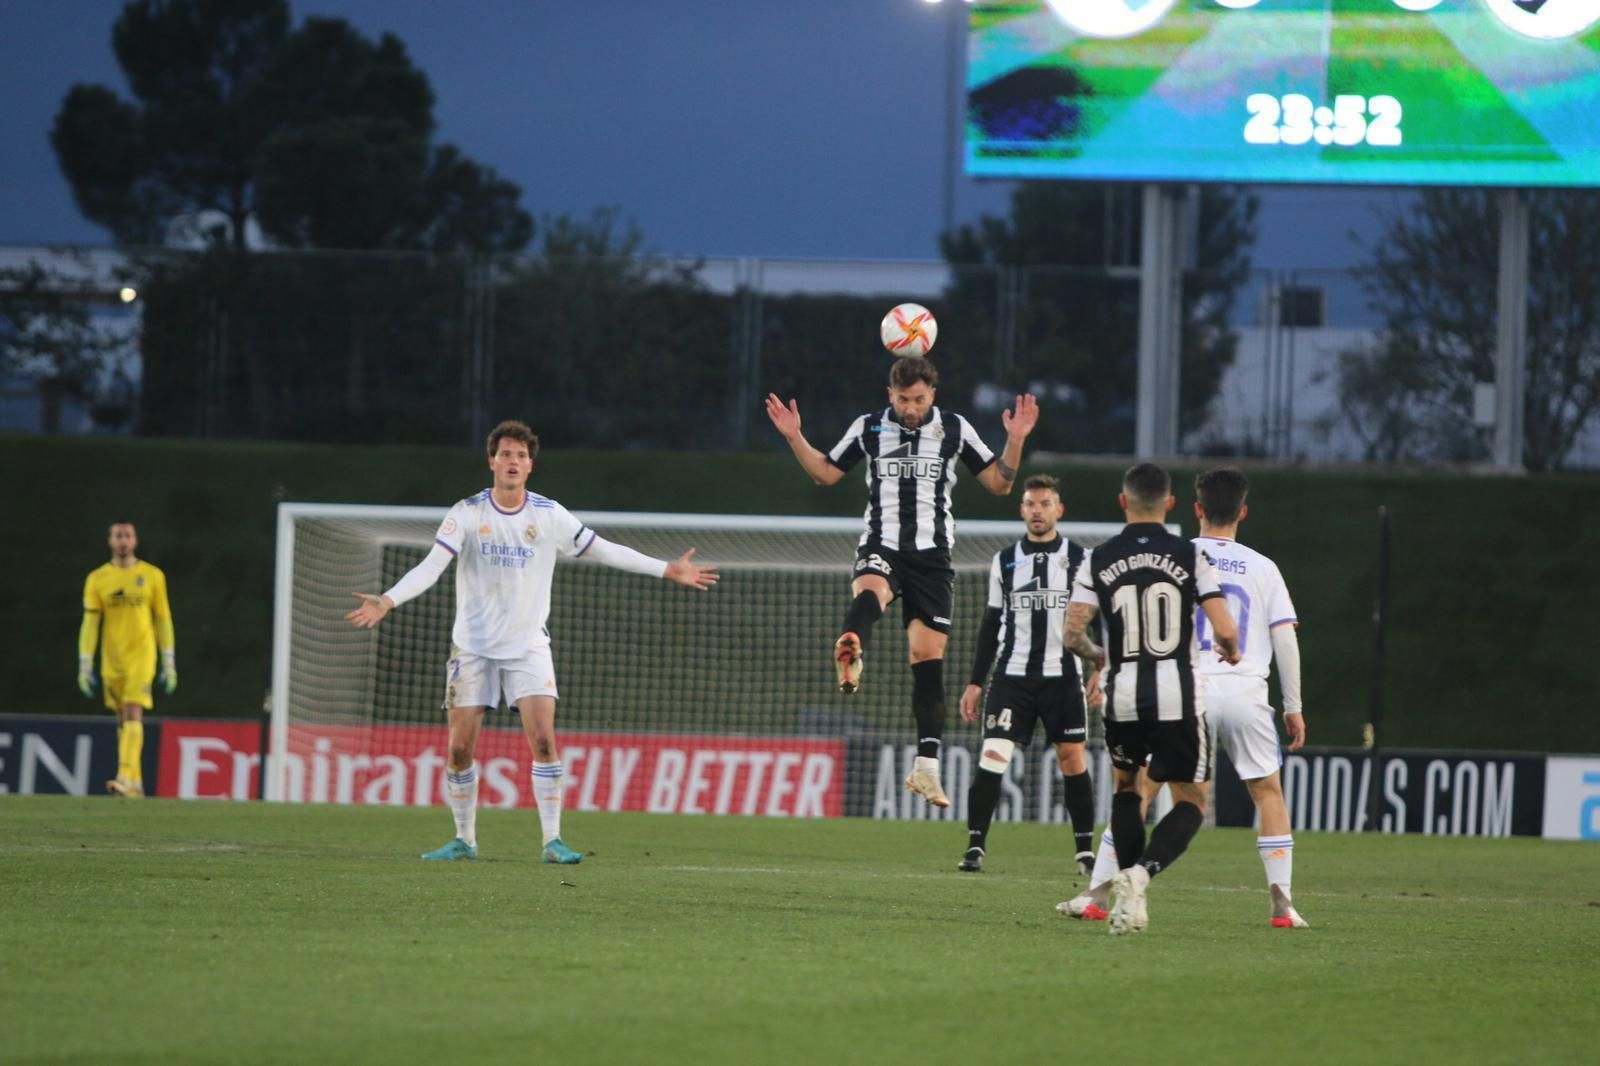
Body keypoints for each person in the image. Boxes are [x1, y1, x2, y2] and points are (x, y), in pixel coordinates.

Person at [345, 420, 718, 864]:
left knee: (543, 740)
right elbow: (431, 566)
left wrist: (666, 569)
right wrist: (388, 599)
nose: (512, 462)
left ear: (530, 465)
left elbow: (603, 549)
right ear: (491, 461)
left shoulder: (548, 514)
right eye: (505, 454)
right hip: (473, 648)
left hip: (528, 647)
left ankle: (552, 841)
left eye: (520, 456)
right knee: (460, 749)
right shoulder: (466, 512)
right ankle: (464, 840)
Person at [765, 357, 1038, 808]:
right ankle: (852, 646)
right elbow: (825, 473)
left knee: (928, 659)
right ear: (889, 394)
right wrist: (795, 436)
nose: (910, 408)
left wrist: (1015, 440)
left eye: (919, 400)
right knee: (871, 588)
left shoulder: (954, 428)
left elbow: (999, 484)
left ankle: (926, 768)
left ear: (933, 395)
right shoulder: (870, 427)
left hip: (932, 558)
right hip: (883, 542)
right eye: (903, 399)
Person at [1064, 463, 1239, 936]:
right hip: (1176, 695)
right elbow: (1223, 627)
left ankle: (1125, 878)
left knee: (1126, 789)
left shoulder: (1098, 558)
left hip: (1121, 695)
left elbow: (1071, 633)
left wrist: (1101, 656)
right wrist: (1231, 648)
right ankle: (1141, 874)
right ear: (1171, 503)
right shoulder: (1188, 554)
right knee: (1191, 800)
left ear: (1123, 502)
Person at [956, 474, 1102, 873]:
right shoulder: (1003, 561)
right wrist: (974, 682)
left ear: (1059, 509)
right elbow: (990, 624)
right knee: (993, 754)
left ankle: (1085, 853)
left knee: (1073, 760)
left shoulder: (1081, 559)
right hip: (1012, 677)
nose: (1038, 511)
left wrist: (1100, 669)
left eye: (1045, 504)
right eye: (1031, 504)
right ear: (1021, 510)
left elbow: (1098, 618)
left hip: (1064, 676)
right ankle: (974, 847)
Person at [1191, 467, 1308, 928]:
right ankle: (1282, 904)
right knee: (1268, 793)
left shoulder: (1179, 557)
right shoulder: (1264, 567)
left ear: (1198, 509)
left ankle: (1100, 891)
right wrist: (1294, 707)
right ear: (1243, 512)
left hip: (1188, 691)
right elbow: (1286, 642)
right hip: (1246, 692)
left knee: (1143, 787)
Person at [79, 521, 176, 798]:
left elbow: (163, 619)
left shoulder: (152, 576)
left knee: (134, 710)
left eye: (128, 535)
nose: (123, 540)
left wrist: (168, 661)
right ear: (110, 541)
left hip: (142, 655)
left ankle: (123, 774)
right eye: (118, 535)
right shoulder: (97, 579)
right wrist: (85, 664)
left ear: (135, 541)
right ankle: (135, 784)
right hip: (113, 658)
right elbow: (90, 624)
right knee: (122, 716)